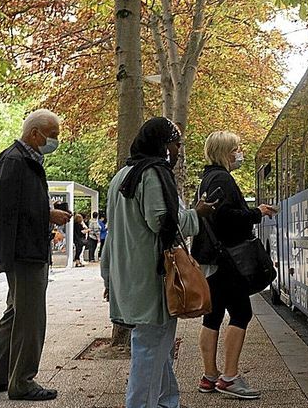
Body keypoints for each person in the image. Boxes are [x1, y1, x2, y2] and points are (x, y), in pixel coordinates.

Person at [100, 117, 216, 408]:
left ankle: (168, 402)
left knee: (160, 349)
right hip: (151, 280)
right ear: (163, 145)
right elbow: (162, 221)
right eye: (176, 144)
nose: (177, 151)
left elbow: (114, 235)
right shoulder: (152, 174)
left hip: (128, 277)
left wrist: (108, 277)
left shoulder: (122, 176)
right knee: (151, 350)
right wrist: (197, 213)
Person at [0, 108, 71, 401]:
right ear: (35, 134)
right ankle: (22, 381)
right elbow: (8, 211)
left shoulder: (19, 160)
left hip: (24, 249)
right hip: (25, 252)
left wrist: (46, 215)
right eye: (52, 135)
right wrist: (48, 216)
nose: (54, 141)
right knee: (30, 317)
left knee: (15, 312)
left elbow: (16, 207)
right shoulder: (15, 161)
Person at [192, 131, 276, 399]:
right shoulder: (222, 178)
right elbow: (226, 217)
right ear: (224, 152)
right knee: (241, 313)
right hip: (229, 259)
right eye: (236, 149)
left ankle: (209, 376)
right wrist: (256, 213)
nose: (239, 153)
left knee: (212, 316)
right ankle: (229, 377)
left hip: (211, 259)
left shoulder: (206, 179)